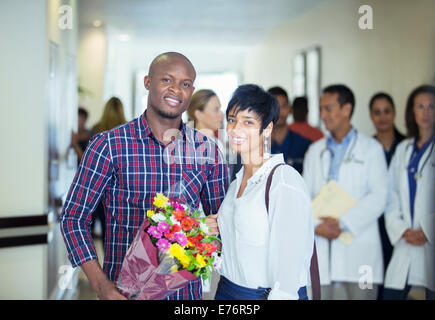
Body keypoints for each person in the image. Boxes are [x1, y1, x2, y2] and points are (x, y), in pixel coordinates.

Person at [60, 52, 228, 300]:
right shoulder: (108, 145)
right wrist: (102, 286)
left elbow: (223, 223)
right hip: (123, 293)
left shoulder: (208, 151)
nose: (176, 90)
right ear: (148, 82)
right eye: (167, 80)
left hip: (185, 297)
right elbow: (73, 218)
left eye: (185, 84)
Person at [207, 84, 314, 300]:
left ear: (267, 129)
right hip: (227, 291)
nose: (236, 128)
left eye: (248, 122)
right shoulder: (236, 182)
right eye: (232, 120)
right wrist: (218, 229)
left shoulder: (283, 181)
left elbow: (288, 271)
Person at [303, 84, 388, 300]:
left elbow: (379, 196)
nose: (322, 115)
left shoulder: (371, 149)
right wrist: (317, 225)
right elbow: (304, 197)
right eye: (321, 109)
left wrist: (341, 223)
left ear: (346, 109)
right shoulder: (315, 151)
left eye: (328, 109)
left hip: (361, 251)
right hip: (321, 247)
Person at [383, 85, 435, 300]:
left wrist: (426, 229)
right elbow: (390, 194)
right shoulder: (404, 149)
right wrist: (403, 229)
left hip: (429, 241)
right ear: (412, 112)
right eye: (420, 107)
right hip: (405, 240)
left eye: (431, 106)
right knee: (392, 294)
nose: (426, 112)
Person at [368, 92, 405, 299]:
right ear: (371, 116)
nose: (382, 117)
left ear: (395, 113)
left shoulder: (407, 146)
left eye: (387, 111)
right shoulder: (365, 149)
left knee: (396, 287)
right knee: (370, 285)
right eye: (377, 112)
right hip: (372, 226)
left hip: (401, 228)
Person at [90, 97, 127, 246]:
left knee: (105, 227)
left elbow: (89, 160)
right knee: (119, 227)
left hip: (99, 186)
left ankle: (107, 261)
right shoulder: (127, 129)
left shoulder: (97, 129)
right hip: (120, 187)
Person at [267, 87, 312, 174]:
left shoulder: (304, 144)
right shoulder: (258, 146)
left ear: (290, 109)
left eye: (283, 106)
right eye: (275, 107)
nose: (279, 112)